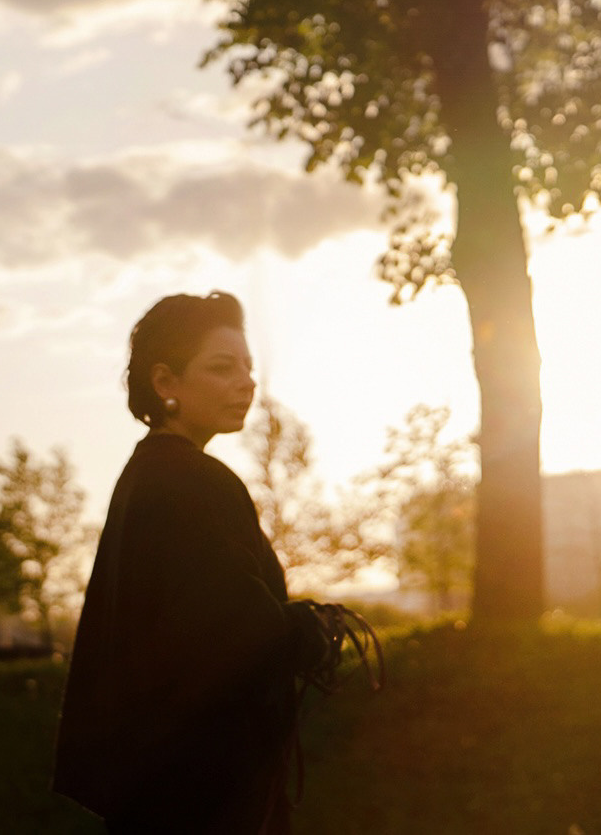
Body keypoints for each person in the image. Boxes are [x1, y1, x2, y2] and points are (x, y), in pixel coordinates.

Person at [54, 291, 370, 835]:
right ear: (165, 383)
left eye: (248, 368)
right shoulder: (192, 481)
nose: (246, 383)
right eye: (222, 368)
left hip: (160, 786)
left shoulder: (146, 474)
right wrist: (310, 630)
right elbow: (234, 629)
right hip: (203, 796)